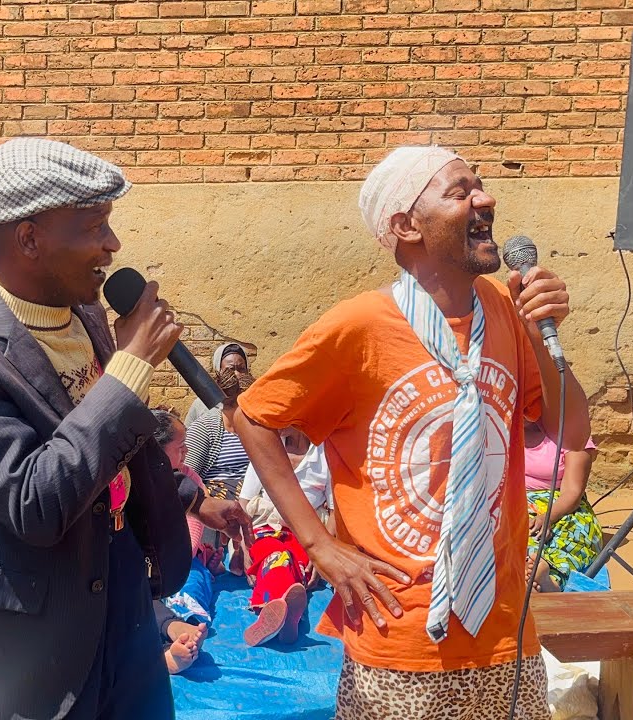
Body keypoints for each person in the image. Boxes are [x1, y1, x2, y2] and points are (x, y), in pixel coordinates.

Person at [235, 146, 590, 720]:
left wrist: (541, 333)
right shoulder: (360, 327)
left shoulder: (504, 309)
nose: (485, 199)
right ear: (405, 225)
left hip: (505, 628)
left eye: (481, 186)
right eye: (458, 192)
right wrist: (319, 546)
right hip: (399, 634)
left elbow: (569, 428)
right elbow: (253, 418)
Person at [0, 138, 252, 720]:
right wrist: (128, 370)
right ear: (29, 238)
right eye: (94, 226)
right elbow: (35, 503)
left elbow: (117, 456)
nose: (112, 245)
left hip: (119, 597)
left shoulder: (87, 313)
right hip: (23, 639)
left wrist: (192, 499)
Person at [236, 428, 333, 647]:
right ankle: (288, 613)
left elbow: (335, 512)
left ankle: (275, 610)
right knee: (276, 556)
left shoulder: (325, 453)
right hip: (263, 529)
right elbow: (243, 506)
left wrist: (322, 555)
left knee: (297, 562)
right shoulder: (264, 447)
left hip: (307, 533)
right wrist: (242, 548)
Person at [151, 408, 211, 674]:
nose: (186, 452)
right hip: (148, 562)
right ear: (157, 450)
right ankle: (166, 650)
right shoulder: (139, 480)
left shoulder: (190, 480)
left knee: (192, 586)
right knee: (137, 600)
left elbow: (193, 527)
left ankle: (184, 635)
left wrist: (179, 560)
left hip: (182, 560)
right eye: (180, 447)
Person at [522, 420, 601, 592]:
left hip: (560, 504)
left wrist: (548, 517)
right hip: (517, 499)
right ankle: (525, 574)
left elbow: (573, 492)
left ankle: (549, 581)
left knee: (570, 533)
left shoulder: (571, 434)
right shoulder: (499, 431)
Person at [185, 368, 256, 501]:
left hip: (255, 500)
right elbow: (187, 477)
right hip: (217, 503)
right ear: (241, 403)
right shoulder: (205, 428)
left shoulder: (258, 429)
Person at [184, 342, 249, 426]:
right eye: (230, 369)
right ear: (218, 371)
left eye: (242, 369)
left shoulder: (253, 402)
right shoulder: (202, 405)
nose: (237, 374)